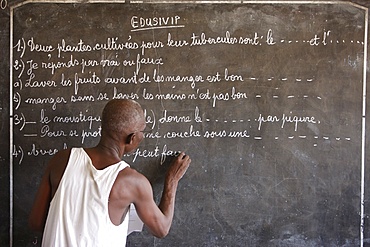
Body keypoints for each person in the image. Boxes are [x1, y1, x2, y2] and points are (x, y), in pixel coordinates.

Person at [28, 99, 191, 246]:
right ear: (132, 138)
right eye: (143, 131)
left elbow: (36, 222)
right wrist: (172, 181)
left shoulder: (61, 160)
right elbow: (161, 229)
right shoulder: (132, 182)